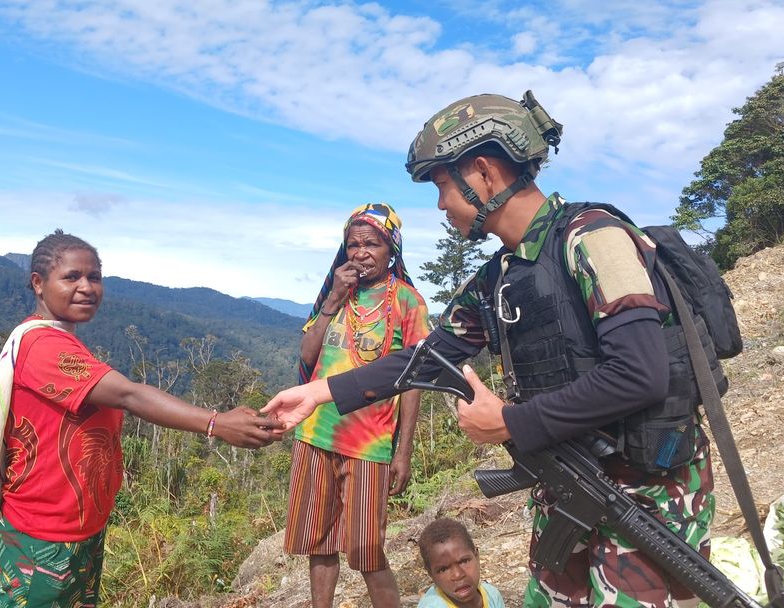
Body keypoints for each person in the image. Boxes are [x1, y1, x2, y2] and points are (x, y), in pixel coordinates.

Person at [263, 91, 716, 607]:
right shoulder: (497, 277)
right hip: (569, 485)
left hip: (644, 495)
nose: (441, 205)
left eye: (442, 186)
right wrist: (319, 392)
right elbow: (426, 356)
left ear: (483, 173)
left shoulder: (593, 238)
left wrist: (510, 423)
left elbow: (641, 374)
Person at [0, 229, 283, 608]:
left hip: (77, 528)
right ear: (38, 283)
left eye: (94, 277)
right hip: (44, 532)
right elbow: (129, 395)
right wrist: (217, 423)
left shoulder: (63, 340)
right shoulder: (42, 345)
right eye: (71, 277)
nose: (86, 287)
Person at [284, 203, 429, 608]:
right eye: (353, 245)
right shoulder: (336, 294)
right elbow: (307, 356)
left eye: (372, 244)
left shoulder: (408, 302)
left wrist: (403, 450)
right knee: (319, 543)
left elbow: (414, 382)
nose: (361, 253)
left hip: (369, 443)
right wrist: (333, 298)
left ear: (392, 249)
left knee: (367, 551)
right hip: (315, 433)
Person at [417, 518, 506, 608]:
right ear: (431, 573)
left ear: (476, 556)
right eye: (443, 569)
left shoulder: (492, 596)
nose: (457, 575)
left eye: (464, 561)